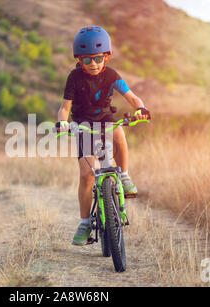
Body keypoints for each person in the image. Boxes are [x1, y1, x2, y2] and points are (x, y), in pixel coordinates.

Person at [56, 26, 151, 246]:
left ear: (106, 57)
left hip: (106, 120)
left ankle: (124, 176)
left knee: (118, 131)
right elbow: (64, 108)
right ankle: (84, 223)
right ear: (78, 60)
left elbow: (132, 98)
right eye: (87, 60)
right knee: (87, 174)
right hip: (82, 125)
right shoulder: (74, 78)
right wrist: (62, 122)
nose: (93, 64)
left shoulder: (111, 75)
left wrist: (141, 108)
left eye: (98, 58)